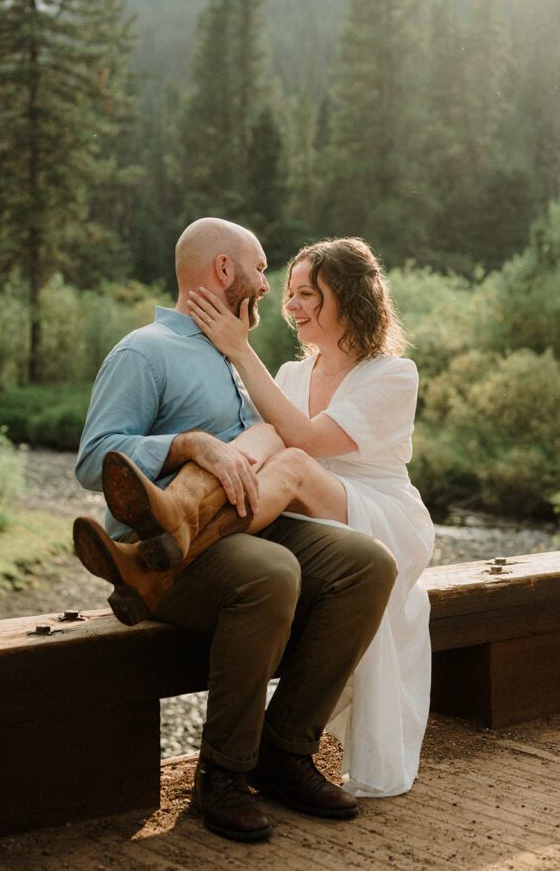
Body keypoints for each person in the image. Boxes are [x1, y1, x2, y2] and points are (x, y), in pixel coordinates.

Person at [74, 217, 397, 843]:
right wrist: (189, 445)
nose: (267, 280)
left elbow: (279, 436)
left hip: (248, 524)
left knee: (368, 563)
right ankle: (222, 774)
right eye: (259, 264)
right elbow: (94, 459)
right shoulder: (143, 351)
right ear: (224, 270)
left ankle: (285, 751)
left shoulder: (235, 349)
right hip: (177, 555)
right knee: (273, 574)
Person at [186, 235, 435, 799]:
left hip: (384, 515)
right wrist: (212, 454)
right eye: (290, 292)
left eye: (307, 294)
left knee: (292, 457)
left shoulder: (394, 375)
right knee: (255, 444)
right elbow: (270, 434)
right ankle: (177, 513)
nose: (290, 305)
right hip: (309, 509)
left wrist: (237, 349)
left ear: (347, 299)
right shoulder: (294, 375)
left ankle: (189, 545)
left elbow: (307, 442)